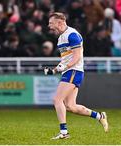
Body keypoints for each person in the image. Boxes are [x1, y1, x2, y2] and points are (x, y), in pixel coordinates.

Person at [44, 12, 109, 140]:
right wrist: (54, 70)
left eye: (51, 23)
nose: (49, 26)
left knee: (57, 99)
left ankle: (64, 132)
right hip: (69, 71)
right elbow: (65, 59)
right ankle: (100, 116)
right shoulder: (61, 38)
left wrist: (65, 67)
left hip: (74, 71)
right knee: (71, 107)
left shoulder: (72, 35)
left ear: (60, 22)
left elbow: (77, 56)